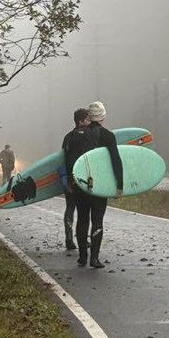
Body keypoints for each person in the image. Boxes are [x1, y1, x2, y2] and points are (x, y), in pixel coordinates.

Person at [74, 101, 123, 269]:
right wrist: (120, 184)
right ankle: (94, 259)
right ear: (102, 116)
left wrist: (72, 182)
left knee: (82, 219)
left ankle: (82, 257)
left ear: (89, 116)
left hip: (81, 184)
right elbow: (116, 160)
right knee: (97, 220)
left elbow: (71, 160)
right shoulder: (108, 135)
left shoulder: (77, 134)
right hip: (100, 185)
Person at [61, 108, 95, 251]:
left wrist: (65, 180)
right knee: (84, 211)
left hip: (70, 179)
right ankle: (82, 239)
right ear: (81, 121)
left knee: (70, 207)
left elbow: (63, 159)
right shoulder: (89, 136)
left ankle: (69, 238)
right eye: (87, 119)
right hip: (84, 179)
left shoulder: (68, 137)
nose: (89, 121)